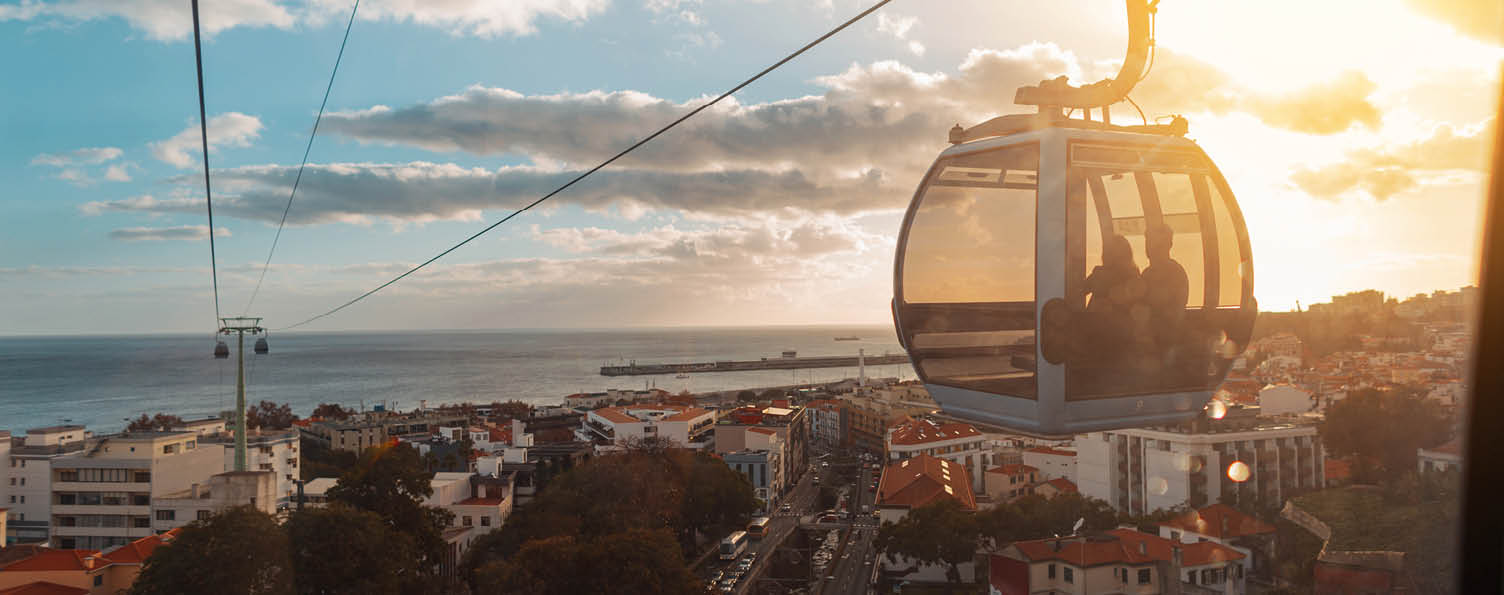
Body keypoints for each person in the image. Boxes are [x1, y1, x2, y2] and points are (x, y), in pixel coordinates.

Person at [1142, 222, 1190, 379]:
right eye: (1148, 241)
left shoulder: (1173, 273)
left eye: (1156, 242)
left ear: (1168, 245)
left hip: (1162, 347)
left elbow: (1170, 314)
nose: (1150, 246)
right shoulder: (1148, 273)